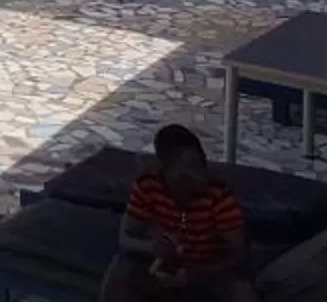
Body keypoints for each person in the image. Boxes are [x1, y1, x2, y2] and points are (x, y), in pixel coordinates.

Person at [104, 125, 254, 301]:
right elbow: (125, 238)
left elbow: (238, 254)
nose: (200, 175)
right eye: (189, 168)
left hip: (208, 270)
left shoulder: (219, 197)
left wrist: (196, 274)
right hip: (161, 266)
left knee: (242, 291)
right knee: (121, 270)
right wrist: (151, 247)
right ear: (166, 169)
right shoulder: (147, 187)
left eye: (201, 164)